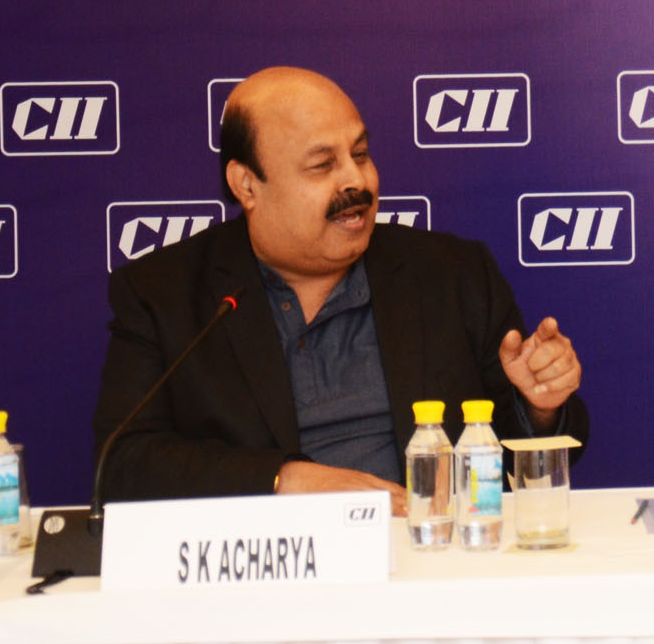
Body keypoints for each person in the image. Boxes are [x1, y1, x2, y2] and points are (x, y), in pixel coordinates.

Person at [92, 67, 588, 503]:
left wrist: (540, 407)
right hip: (264, 566)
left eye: (361, 154)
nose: (358, 181)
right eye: (322, 165)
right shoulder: (164, 293)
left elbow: (519, 448)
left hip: (427, 553)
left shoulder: (453, 273)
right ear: (247, 185)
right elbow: (124, 465)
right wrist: (284, 481)